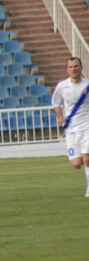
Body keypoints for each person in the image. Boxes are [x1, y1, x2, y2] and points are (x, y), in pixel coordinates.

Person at [52, 57, 89, 197]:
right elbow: (56, 103)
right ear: (67, 69)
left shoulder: (87, 85)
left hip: (87, 125)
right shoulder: (62, 86)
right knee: (76, 163)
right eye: (71, 67)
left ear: (81, 67)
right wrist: (60, 116)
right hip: (71, 129)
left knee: (87, 159)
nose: (74, 69)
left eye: (76, 66)